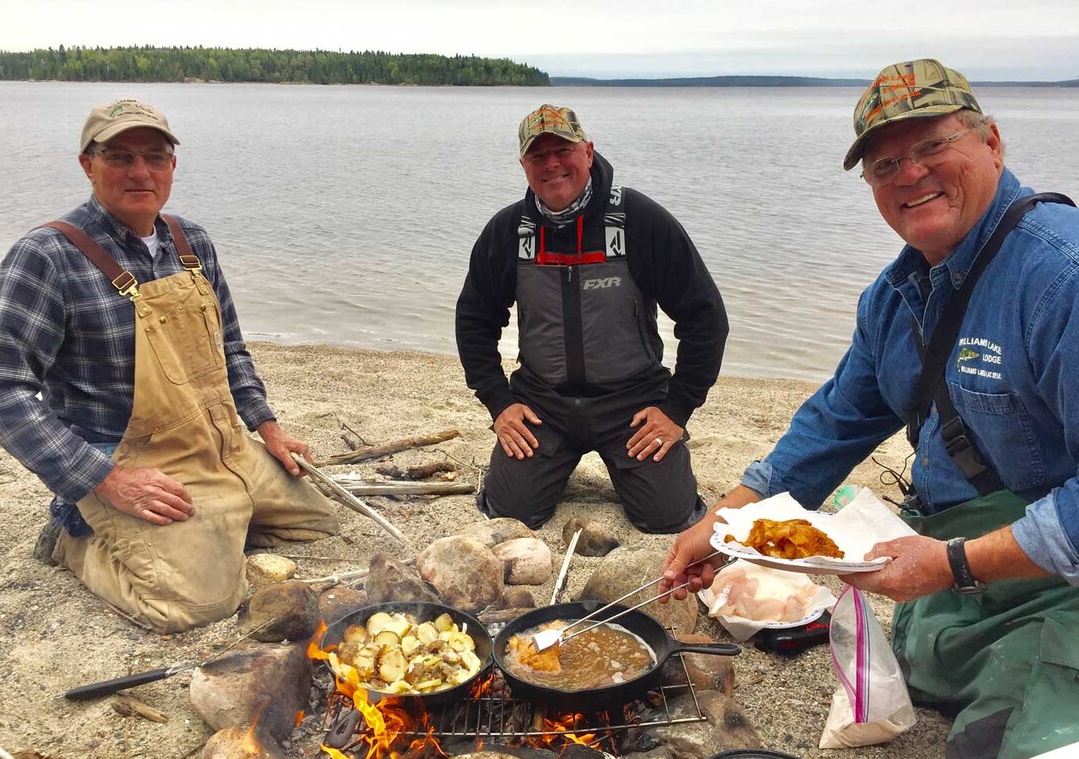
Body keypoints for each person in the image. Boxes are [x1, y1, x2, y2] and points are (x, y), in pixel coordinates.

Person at [661, 59, 1079, 758]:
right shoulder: (894, 298)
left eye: (930, 147)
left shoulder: (1059, 276)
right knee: (927, 665)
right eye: (885, 165)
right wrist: (726, 523)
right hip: (968, 574)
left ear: (993, 142)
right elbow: (833, 424)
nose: (909, 175)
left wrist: (950, 565)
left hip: (1052, 579)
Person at [0, 99, 339, 633]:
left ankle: (209, 524)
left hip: (210, 441)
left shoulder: (190, 242)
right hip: (122, 459)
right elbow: (1, 395)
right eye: (120, 157)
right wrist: (103, 480)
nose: (139, 173)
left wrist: (267, 427)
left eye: (155, 157)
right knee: (199, 604)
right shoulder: (46, 256)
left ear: (172, 166)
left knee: (318, 523)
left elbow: (232, 351)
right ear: (88, 165)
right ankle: (72, 535)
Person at [456, 104, 728, 533]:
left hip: (633, 403)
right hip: (542, 403)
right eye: (537, 155)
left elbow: (705, 318)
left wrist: (676, 409)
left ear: (588, 151)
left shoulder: (639, 220)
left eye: (562, 150)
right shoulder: (508, 230)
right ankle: (546, 469)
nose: (552, 164)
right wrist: (499, 403)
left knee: (667, 519)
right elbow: (474, 320)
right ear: (523, 165)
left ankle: (649, 477)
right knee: (508, 514)